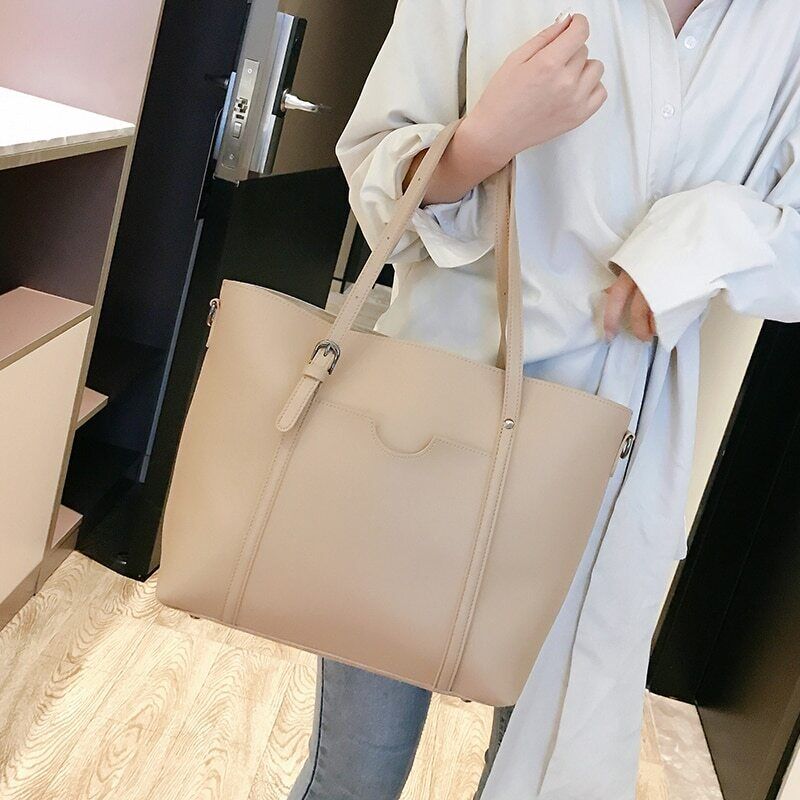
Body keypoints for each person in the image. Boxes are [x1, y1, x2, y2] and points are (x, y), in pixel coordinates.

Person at [289, 2, 800, 798]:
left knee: (540, 778)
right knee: (355, 776)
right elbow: (375, 172)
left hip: (610, 461)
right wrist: (479, 143)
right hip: (434, 421)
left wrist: (702, 235)